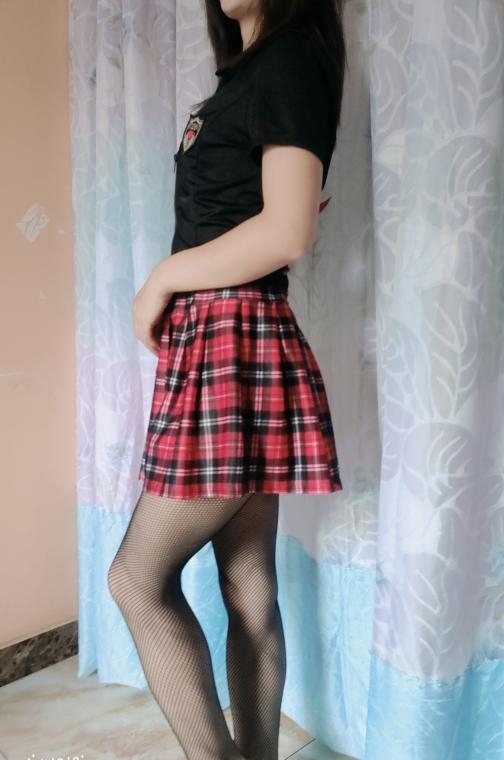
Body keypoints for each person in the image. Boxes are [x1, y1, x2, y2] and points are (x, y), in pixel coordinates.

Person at [107, 2, 347, 760]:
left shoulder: (289, 57)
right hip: (227, 337)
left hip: (231, 338)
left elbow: (288, 229)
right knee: (248, 586)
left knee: (136, 579)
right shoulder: (253, 73)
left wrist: (161, 278)